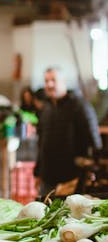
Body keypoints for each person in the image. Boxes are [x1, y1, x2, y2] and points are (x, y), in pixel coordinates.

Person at [34, 66, 102, 197]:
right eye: (46, 80)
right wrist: (38, 173)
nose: (49, 84)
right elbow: (41, 142)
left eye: (53, 80)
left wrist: (94, 168)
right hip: (47, 178)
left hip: (72, 178)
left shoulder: (79, 106)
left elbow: (94, 139)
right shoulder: (46, 108)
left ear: (63, 81)